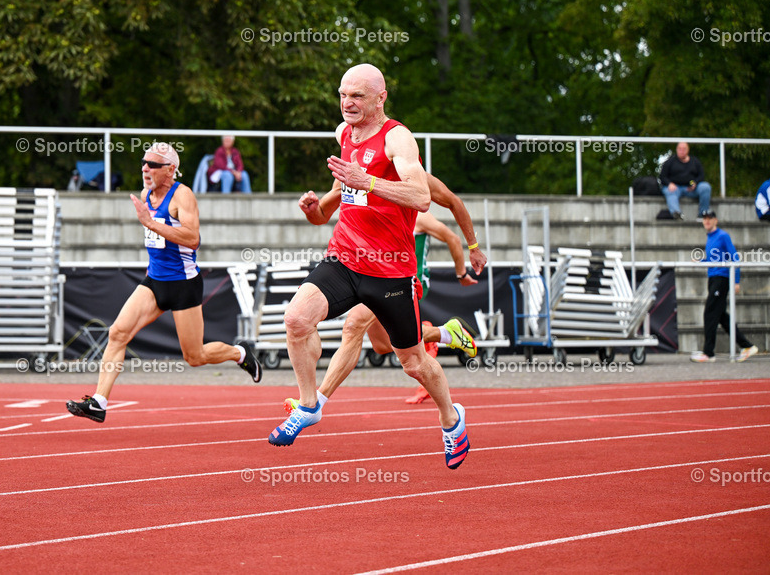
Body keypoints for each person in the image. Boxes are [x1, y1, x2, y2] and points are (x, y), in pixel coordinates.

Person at [268, 63, 471, 471]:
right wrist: (314, 209)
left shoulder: (397, 137)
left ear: (381, 98)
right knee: (296, 320)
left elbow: (421, 197)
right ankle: (309, 405)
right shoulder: (344, 133)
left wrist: (370, 182)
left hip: (392, 271)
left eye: (357, 96)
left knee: (412, 362)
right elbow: (335, 202)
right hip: (344, 259)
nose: (347, 103)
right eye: (343, 94)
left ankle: (452, 419)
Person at [66, 142, 261, 424]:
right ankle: (99, 402)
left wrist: (152, 224)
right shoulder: (147, 194)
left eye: (153, 165)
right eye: (144, 163)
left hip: (183, 285)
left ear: (170, 170)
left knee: (194, 357)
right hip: (155, 282)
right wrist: (152, 240)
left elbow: (193, 239)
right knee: (117, 333)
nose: (145, 169)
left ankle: (240, 353)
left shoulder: (183, 196)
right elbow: (155, 242)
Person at [285, 173, 487, 410]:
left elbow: (452, 231)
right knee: (382, 345)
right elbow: (325, 211)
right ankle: (444, 333)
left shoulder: (415, 187)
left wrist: (464, 267)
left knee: (353, 326)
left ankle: (315, 402)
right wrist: (313, 208)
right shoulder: (352, 168)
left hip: (402, 279)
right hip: (364, 273)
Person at [691, 211, 759, 363]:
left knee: (709, 312)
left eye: (709, 219)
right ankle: (747, 346)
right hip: (713, 278)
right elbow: (712, 259)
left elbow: (734, 257)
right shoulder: (710, 238)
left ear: (715, 220)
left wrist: (736, 281)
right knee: (721, 316)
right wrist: (701, 261)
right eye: (704, 219)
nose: (707, 221)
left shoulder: (723, 236)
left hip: (721, 279)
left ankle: (708, 353)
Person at [659, 142, 712, 220]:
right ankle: (677, 214)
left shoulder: (695, 162)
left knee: (705, 187)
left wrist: (694, 183)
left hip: (690, 189)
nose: (682, 151)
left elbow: (701, 176)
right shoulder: (670, 162)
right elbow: (662, 177)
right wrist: (669, 183)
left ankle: (703, 214)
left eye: (684, 149)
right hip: (675, 188)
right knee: (669, 191)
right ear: (677, 150)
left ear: (688, 150)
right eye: (680, 149)